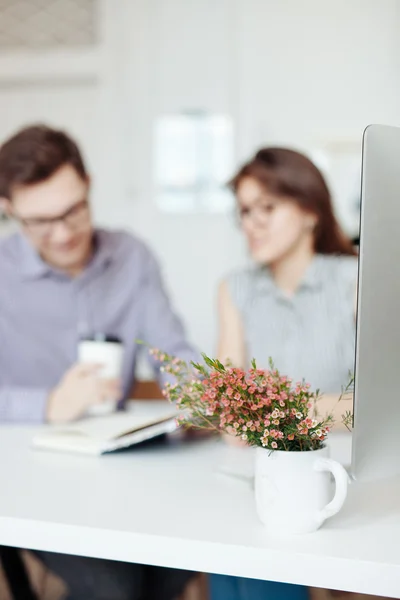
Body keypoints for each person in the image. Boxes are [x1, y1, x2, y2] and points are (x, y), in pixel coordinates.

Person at [0, 124, 196, 600]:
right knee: (117, 585)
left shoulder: (131, 256)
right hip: (27, 476)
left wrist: (190, 392)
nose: (64, 233)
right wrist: (48, 404)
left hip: (121, 470)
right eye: (41, 222)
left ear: (88, 185)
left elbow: (174, 352)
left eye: (74, 211)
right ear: (8, 211)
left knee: (188, 552)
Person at [211, 147, 358, 600]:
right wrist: (325, 407)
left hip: (340, 470)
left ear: (310, 210)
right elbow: (229, 414)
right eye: (244, 212)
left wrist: (274, 412)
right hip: (255, 469)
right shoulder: (234, 288)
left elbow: (379, 410)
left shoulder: (356, 281)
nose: (251, 223)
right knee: (225, 557)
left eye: (267, 208)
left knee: (259, 568)